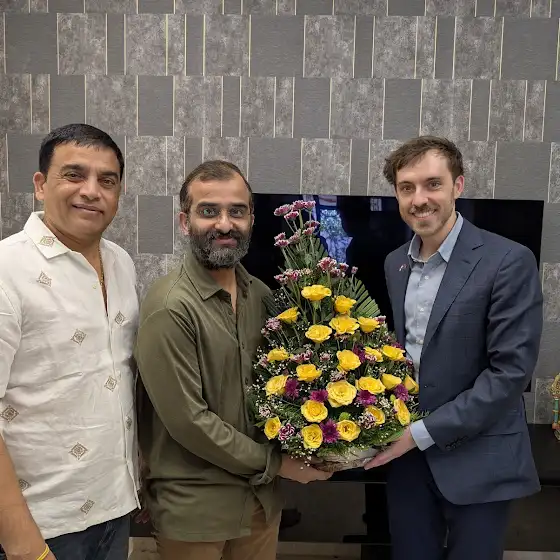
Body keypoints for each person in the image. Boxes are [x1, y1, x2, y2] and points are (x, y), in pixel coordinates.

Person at [135, 160, 331, 560]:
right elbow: (190, 422)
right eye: (209, 211)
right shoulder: (170, 307)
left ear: (251, 221)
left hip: (260, 503)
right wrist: (277, 464)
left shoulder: (262, 296)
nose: (225, 224)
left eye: (236, 211)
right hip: (197, 512)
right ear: (185, 222)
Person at [365, 136, 542, 560]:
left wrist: (418, 435)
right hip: (407, 461)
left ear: (457, 185)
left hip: (479, 455)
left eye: (433, 184)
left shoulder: (508, 260)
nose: (419, 199)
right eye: (407, 187)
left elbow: (509, 375)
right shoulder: (395, 262)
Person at [0, 124, 139, 560]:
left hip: (115, 508)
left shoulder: (120, 263)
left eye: (107, 181)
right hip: (41, 524)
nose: (91, 191)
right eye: (74, 175)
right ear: (41, 185)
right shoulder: (7, 269)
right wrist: (22, 543)